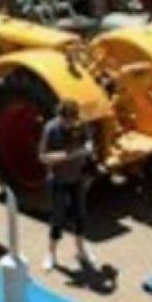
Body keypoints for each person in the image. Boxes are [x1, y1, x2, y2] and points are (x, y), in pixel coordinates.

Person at [39, 99, 96, 271]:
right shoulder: (51, 129)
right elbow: (43, 157)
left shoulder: (80, 125)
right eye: (67, 121)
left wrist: (88, 147)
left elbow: (89, 140)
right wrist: (70, 155)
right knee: (58, 217)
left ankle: (80, 251)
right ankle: (51, 253)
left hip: (78, 179)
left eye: (73, 120)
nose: (71, 124)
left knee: (80, 215)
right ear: (60, 116)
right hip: (58, 180)